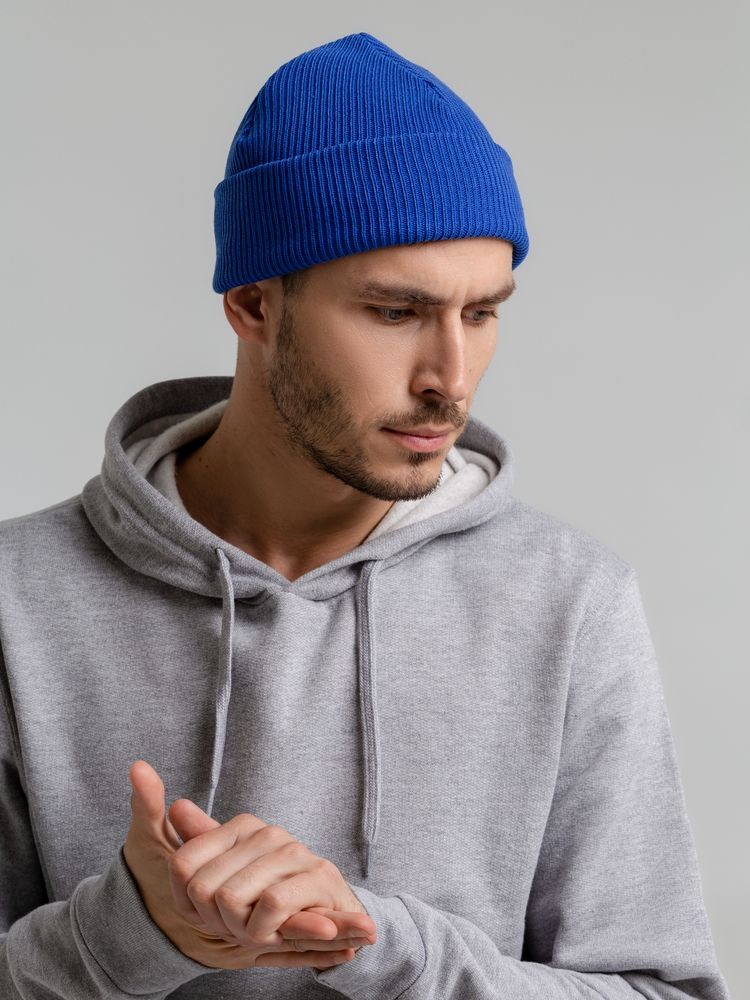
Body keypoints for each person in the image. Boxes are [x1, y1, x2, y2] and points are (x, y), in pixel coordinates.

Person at [0, 29, 731, 1000]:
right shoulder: (20, 598)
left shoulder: (568, 600)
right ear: (254, 303)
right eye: (396, 312)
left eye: (482, 313)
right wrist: (124, 936)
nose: (451, 379)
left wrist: (389, 949)